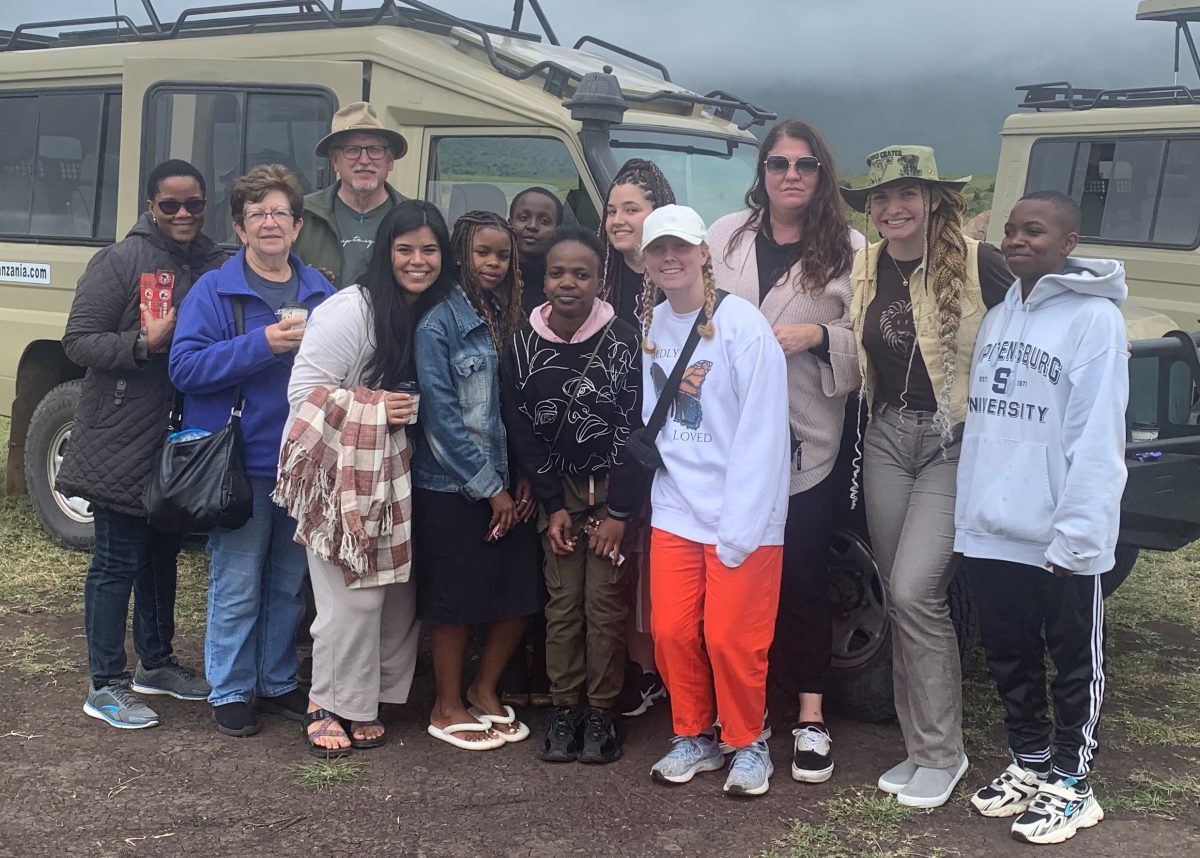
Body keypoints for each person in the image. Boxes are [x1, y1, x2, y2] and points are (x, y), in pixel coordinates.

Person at [842, 145, 1012, 808]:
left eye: (906, 194)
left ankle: (943, 753)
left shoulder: (978, 263)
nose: (892, 208)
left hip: (953, 443)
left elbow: (1047, 309)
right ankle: (919, 750)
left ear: (935, 199)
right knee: (895, 596)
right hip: (885, 436)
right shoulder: (865, 265)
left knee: (917, 593)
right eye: (881, 198)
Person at [957, 191, 1127, 845]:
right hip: (994, 522)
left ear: (1069, 243)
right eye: (1011, 230)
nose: (1018, 239)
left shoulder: (1095, 321)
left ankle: (1073, 784)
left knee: (1073, 660)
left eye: (1035, 230)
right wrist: (972, 513)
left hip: (1058, 530)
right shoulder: (1002, 314)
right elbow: (989, 426)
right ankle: (1030, 763)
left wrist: (1079, 532)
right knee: (1009, 653)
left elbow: (1095, 436)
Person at [707, 118, 864, 784]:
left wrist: (819, 337)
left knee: (800, 579)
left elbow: (876, 340)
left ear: (822, 175)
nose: (791, 175)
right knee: (733, 574)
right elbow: (687, 312)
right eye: (779, 164)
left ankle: (809, 715)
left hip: (805, 439)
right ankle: (737, 714)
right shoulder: (724, 236)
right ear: (762, 172)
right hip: (723, 437)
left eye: (805, 165)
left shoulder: (852, 248)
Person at [277, 201, 452, 755]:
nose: (417, 261)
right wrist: (378, 407)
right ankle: (326, 702)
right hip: (336, 471)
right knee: (353, 596)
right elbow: (301, 394)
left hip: (398, 471)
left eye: (429, 250)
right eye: (405, 250)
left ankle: (369, 698)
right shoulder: (351, 310)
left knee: (397, 592)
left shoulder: (436, 310)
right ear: (385, 252)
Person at [170, 164, 334, 737]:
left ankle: (278, 679)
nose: (270, 223)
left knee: (289, 581)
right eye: (257, 214)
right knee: (237, 579)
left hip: (302, 462)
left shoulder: (321, 290)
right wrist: (261, 344)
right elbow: (185, 367)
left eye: (280, 213)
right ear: (240, 229)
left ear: (296, 226)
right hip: (238, 463)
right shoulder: (215, 289)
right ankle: (232, 687)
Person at [58, 158, 223, 730]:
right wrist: (140, 343)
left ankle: (156, 665)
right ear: (151, 206)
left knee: (162, 557)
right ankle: (105, 682)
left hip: (178, 436)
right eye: (170, 205)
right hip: (122, 432)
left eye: (194, 204)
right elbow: (78, 341)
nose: (183, 214)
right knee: (116, 561)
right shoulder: (121, 260)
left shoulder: (213, 260)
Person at [637, 205, 790, 797]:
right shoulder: (653, 325)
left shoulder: (743, 326)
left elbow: (763, 431)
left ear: (705, 252)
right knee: (672, 632)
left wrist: (741, 525)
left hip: (742, 510)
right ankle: (693, 734)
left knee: (732, 639)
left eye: (680, 248)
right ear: (646, 263)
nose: (669, 259)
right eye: (657, 251)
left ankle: (749, 741)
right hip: (677, 503)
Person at [502, 227, 643, 765]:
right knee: (563, 605)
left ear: (600, 281)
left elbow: (636, 429)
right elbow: (522, 429)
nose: (568, 283)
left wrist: (620, 510)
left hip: (612, 494)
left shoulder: (625, 339)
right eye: (558, 273)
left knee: (604, 604)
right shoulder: (521, 342)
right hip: (556, 495)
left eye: (581, 274)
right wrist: (550, 504)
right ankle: (564, 710)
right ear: (544, 279)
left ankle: (601, 712)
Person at [412, 210, 540, 750]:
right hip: (454, 487)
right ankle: (446, 705)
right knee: (455, 599)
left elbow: (519, 407)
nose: (494, 263)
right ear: (462, 253)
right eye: (483, 252)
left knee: (519, 592)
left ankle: (485, 689)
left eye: (503, 255)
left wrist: (526, 477)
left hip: (512, 484)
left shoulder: (509, 315)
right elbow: (441, 420)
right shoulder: (438, 323)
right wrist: (492, 489)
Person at [599, 158, 677, 719]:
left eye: (633, 208)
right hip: (613, 440)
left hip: (668, 445)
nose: (620, 219)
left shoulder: (673, 279)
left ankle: (674, 673)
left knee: (660, 568)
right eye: (612, 209)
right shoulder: (604, 276)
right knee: (625, 566)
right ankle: (644, 672)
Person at [292, 101, 408, 288]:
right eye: (352, 150)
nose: (364, 160)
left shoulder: (414, 217)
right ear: (335, 161)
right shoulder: (300, 214)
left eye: (374, 150)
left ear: (390, 161)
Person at [509, 186, 564, 318]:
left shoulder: (563, 285)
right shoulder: (491, 276)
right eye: (523, 218)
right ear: (510, 224)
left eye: (544, 221)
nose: (532, 226)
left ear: (557, 231)